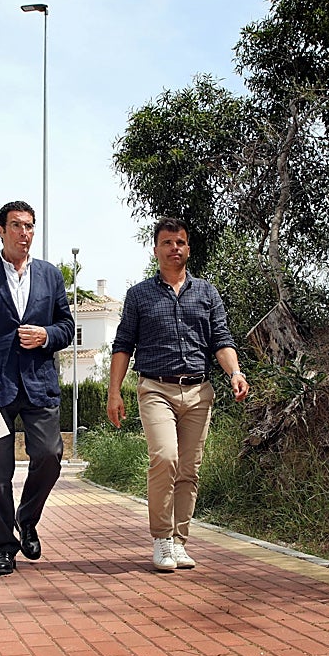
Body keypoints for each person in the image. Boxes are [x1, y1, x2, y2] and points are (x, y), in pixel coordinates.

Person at [107, 217, 249, 571]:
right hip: (156, 387)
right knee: (165, 458)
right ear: (156, 249)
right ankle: (161, 539)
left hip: (199, 392)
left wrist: (235, 372)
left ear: (188, 248)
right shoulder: (139, 295)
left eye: (180, 242)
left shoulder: (207, 293)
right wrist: (114, 392)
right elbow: (123, 345)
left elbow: (221, 340)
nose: (175, 248)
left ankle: (179, 541)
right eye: (167, 242)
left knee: (189, 469)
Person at [0, 200, 75, 576]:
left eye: (30, 226)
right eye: (18, 225)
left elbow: (67, 327)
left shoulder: (51, 276)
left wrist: (46, 335)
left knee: (50, 455)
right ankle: (5, 547)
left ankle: (27, 517)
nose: (25, 233)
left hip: (40, 383)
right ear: (1, 230)